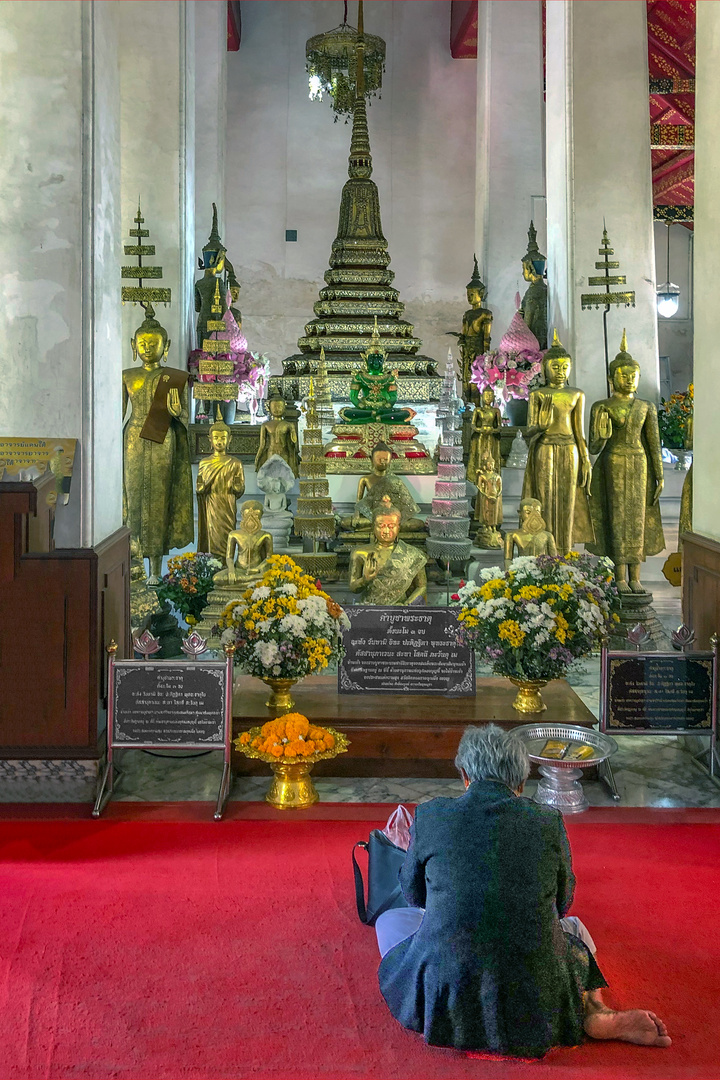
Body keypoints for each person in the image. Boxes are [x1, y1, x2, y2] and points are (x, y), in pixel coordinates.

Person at [376, 725, 671, 1057]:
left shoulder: (431, 816)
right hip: (536, 985)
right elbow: (562, 903)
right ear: (520, 782)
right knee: (576, 929)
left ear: (464, 775)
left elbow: (415, 896)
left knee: (389, 923)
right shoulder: (548, 820)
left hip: (451, 977)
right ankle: (595, 1011)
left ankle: (441, 1005)